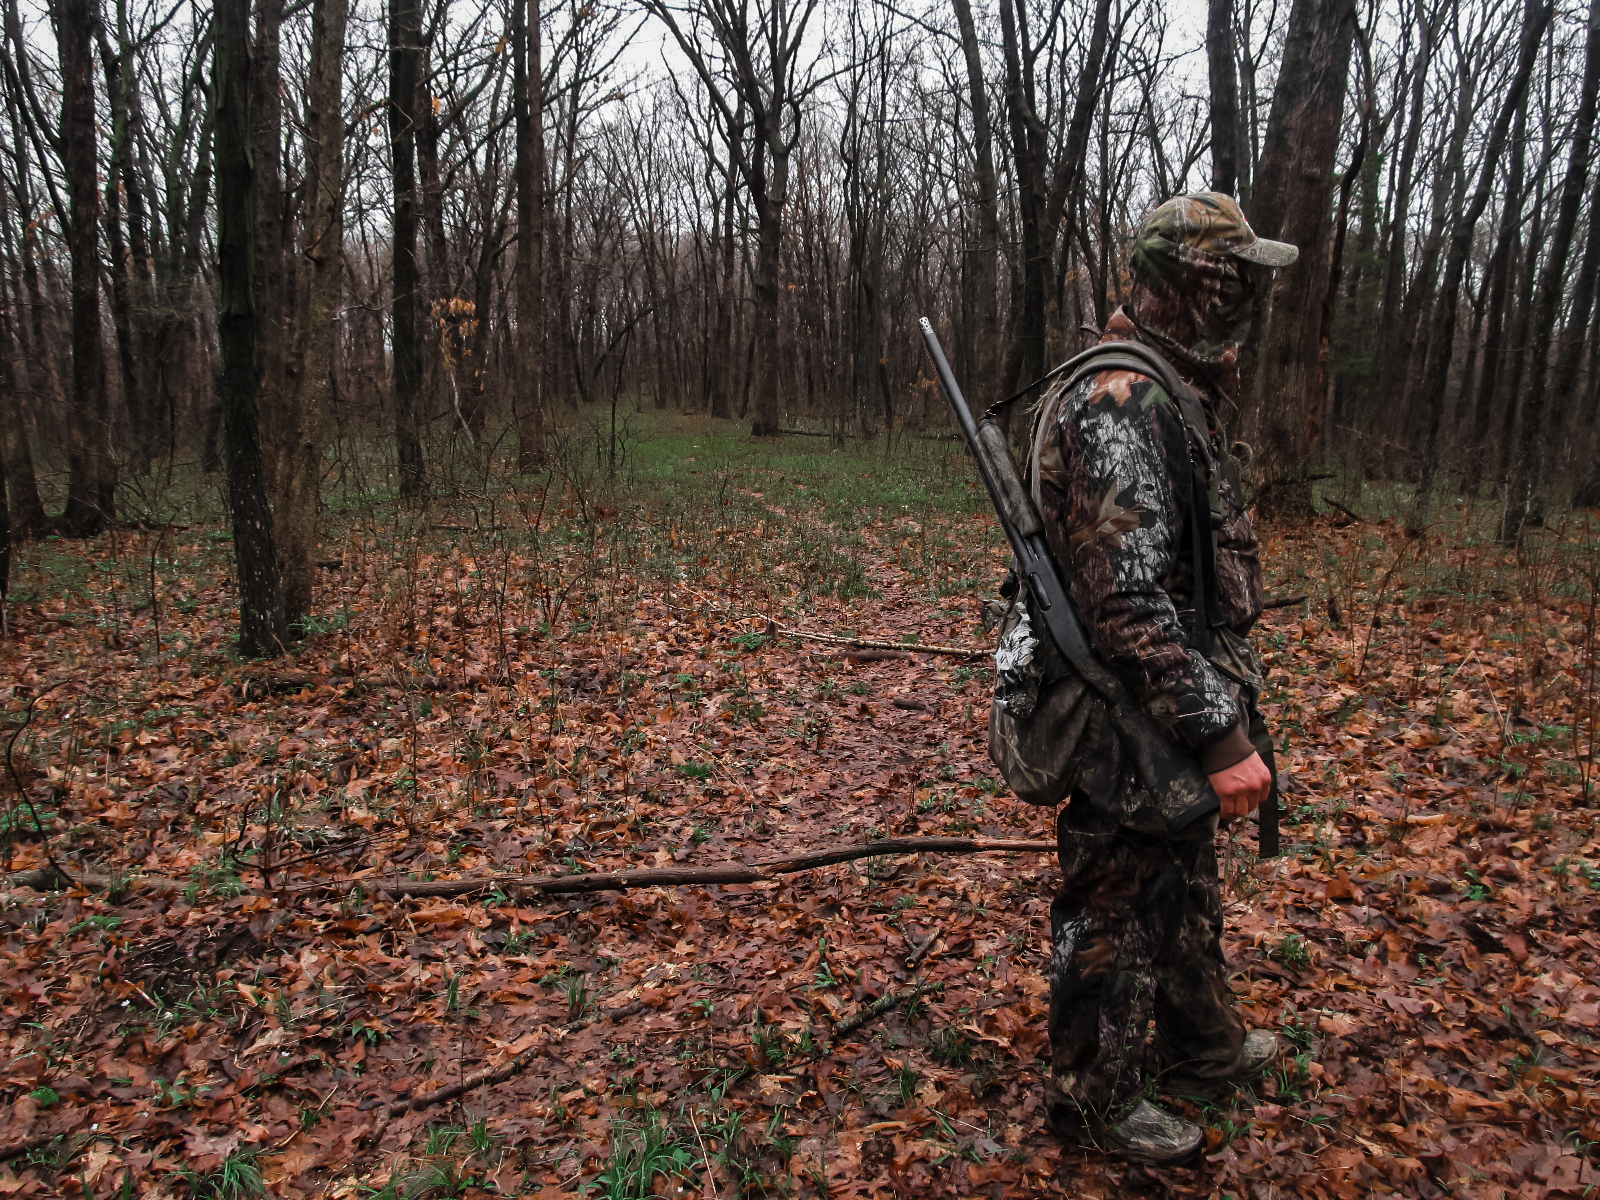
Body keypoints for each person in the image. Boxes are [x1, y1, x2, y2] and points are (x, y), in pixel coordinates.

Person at [1027, 192, 1297, 1165]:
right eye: (1235, 282)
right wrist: (1218, 736)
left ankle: (1199, 1046)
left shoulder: (1164, 387)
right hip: (1120, 709)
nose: (1249, 303)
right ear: (1195, 287)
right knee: (1111, 898)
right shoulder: (1121, 403)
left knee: (1182, 879)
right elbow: (1124, 600)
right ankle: (1092, 1098)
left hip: (1166, 697)